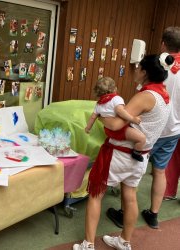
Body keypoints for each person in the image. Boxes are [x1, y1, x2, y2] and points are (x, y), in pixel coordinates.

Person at [73, 53, 173, 250]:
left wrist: (100, 117)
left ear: (144, 72)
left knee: (95, 193)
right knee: (130, 196)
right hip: (141, 156)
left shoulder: (145, 96)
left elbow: (117, 124)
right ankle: (124, 241)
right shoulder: (164, 96)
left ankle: (88, 244)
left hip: (119, 154)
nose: (135, 70)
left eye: (137, 68)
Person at [107, 27, 180, 230]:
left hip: (149, 130)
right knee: (160, 171)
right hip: (174, 130)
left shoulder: (160, 68)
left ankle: (124, 212)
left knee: (133, 172)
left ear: (164, 44)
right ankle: (153, 214)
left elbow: (139, 102)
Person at [85, 77, 146, 161]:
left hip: (108, 131)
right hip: (120, 130)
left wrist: (88, 128)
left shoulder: (98, 104)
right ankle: (136, 153)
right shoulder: (116, 99)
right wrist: (133, 119)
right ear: (115, 89)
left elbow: (93, 117)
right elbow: (121, 111)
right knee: (142, 139)